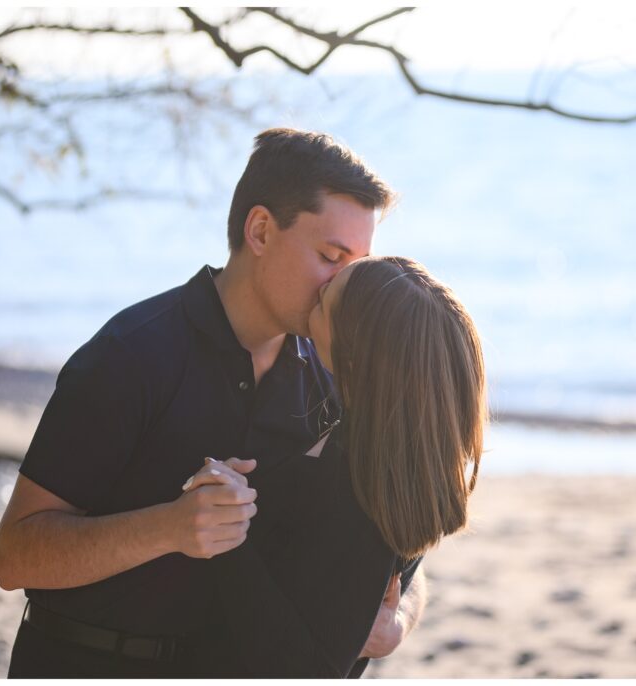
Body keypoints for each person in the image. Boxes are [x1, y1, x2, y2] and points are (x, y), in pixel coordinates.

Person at [0, 128, 425, 677]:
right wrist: (167, 527)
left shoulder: (334, 377)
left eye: (358, 268)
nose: (343, 287)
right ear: (261, 230)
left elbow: (396, 540)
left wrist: (399, 618)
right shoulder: (131, 355)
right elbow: (12, 555)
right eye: (330, 257)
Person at [179, 256, 487, 677]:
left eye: (326, 301)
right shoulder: (409, 471)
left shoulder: (352, 490)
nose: (318, 287)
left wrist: (228, 534)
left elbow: (308, 669)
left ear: (356, 354)